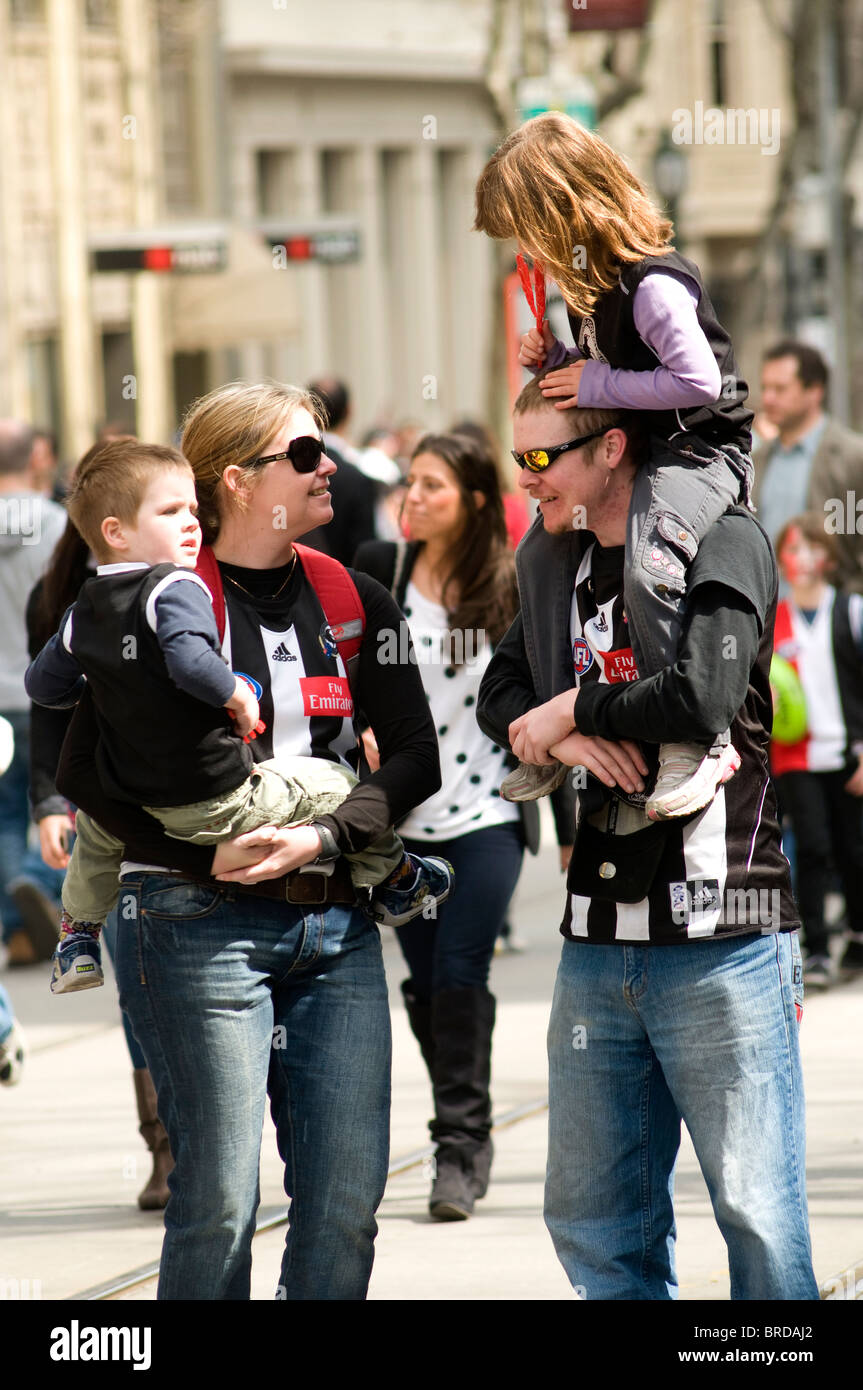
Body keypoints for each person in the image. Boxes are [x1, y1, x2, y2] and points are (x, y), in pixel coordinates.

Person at [54, 380, 441, 1300]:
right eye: (303, 454)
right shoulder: (158, 603)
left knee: (343, 1202)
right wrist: (201, 856)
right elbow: (81, 774)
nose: (327, 466)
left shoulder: (355, 596)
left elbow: (414, 757)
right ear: (235, 480)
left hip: (336, 922)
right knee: (220, 1202)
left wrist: (324, 838)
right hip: (192, 921)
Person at [476, 375, 818, 1300]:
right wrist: (567, 732)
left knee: (755, 1214)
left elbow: (703, 694)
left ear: (612, 449)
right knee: (594, 1222)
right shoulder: (555, 557)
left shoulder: (723, 538)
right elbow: (499, 695)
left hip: (723, 933)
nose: (526, 477)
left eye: (541, 457)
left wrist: (574, 706)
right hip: (597, 936)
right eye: (517, 456)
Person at [26, 438, 451, 994]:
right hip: (222, 810)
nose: (189, 521)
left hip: (148, 804)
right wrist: (234, 695)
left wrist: (95, 685)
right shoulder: (177, 585)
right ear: (238, 480)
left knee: (95, 835)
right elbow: (188, 660)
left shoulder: (84, 610)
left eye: (190, 509)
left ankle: (78, 938)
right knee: (335, 781)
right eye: (304, 453)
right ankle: (396, 878)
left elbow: (43, 687)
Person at [473, 111, 755, 822]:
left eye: (525, 230)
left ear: (563, 212)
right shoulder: (587, 293)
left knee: (648, 562)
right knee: (537, 554)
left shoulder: (651, 285)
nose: (524, 250)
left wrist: (593, 380)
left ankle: (693, 742)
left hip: (701, 452)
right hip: (648, 451)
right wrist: (560, 362)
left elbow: (694, 380)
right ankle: (553, 720)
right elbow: (614, 373)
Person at [355, 432, 528, 1221]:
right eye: (411, 482)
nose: (413, 497)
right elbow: (342, 669)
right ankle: (464, 1128)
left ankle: (457, 1146)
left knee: (460, 971)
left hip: (487, 810)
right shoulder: (379, 570)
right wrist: (357, 728)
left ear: (475, 501)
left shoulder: (509, 582)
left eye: (433, 486)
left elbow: (536, 687)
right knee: (427, 985)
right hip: (402, 820)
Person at [26, 438, 175, 1209]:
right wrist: (48, 804)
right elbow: (45, 708)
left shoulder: (185, 581)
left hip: (192, 807)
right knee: (136, 989)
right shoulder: (63, 594)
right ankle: (166, 1150)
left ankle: (213, 1138)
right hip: (106, 808)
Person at [770, 513, 863, 986]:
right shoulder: (773, 622)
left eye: (811, 547)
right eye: (792, 548)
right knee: (812, 849)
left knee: (854, 849)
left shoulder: (851, 611)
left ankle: (857, 937)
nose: (802, 558)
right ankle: (819, 948)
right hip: (796, 757)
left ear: (828, 557)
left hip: (848, 753)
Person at [0, 420, 67, 965]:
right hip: (48, 693)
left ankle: (16, 927)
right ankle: (38, 878)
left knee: (3, 815)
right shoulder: (57, 526)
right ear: (37, 458)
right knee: (63, 803)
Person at [755, 340, 863, 593]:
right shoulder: (755, 461)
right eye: (765, 388)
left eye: (780, 389)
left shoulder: (852, 458)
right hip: (768, 613)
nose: (768, 398)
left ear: (814, 391)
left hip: (832, 610)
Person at [298, 378, 378, 565]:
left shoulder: (357, 475)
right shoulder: (357, 478)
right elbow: (363, 550)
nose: (328, 467)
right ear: (349, 411)